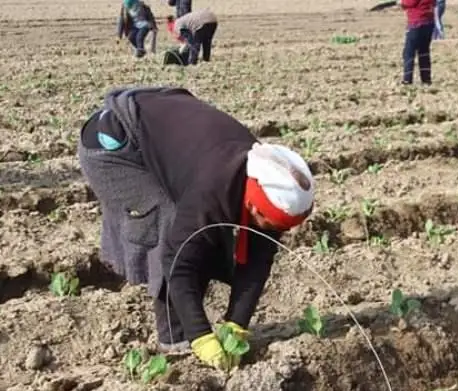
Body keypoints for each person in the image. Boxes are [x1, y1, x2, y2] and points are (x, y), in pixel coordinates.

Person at [77, 87, 315, 371]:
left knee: (205, 236)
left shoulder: (263, 180)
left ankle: (187, 331)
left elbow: (259, 259)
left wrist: (237, 323)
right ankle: (175, 340)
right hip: (115, 143)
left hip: (165, 132)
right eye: (272, 225)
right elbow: (178, 262)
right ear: (253, 206)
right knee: (171, 227)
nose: (275, 233)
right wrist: (201, 336)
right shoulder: (214, 188)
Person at [400, 0, 435, 85]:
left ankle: (407, 79)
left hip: (416, 22)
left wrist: (401, 3)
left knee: (408, 53)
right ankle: (426, 79)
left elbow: (409, 3)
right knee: (424, 52)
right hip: (429, 22)